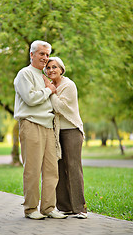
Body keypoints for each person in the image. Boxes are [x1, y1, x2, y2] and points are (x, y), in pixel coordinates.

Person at [13, 41, 67, 220]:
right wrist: (48, 89)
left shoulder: (45, 77)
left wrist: (49, 87)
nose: (45, 58)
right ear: (32, 55)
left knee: (52, 170)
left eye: (47, 54)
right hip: (31, 124)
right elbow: (29, 99)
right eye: (41, 54)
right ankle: (30, 209)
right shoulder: (24, 74)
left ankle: (49, 207)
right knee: (33, 170)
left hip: (47, 126)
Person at [43, 57, 87, 219]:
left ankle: (80, 208)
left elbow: (60, 107)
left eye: (54, 67)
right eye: (48, 68)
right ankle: (65, 207)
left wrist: (50, 91)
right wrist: (48, 89)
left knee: (73, 167)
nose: (51, 70)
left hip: (72, 131)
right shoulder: (48, 86)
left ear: (61, 69)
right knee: (58, 168)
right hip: (56, 132)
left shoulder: (69, 85)